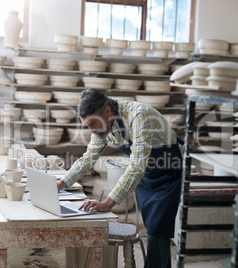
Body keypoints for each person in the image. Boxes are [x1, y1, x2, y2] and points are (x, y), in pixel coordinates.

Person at [57, 88, 183, 268]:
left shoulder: (140, 116)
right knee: (152, 228)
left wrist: (108, 203)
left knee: (157, 231)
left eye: (93, 123)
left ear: (108, 110)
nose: (91, 129)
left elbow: (137, 166)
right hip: (147, 175)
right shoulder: (104, 125)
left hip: (169, 172)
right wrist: (61, 183)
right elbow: (89, 157)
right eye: (87, 125)